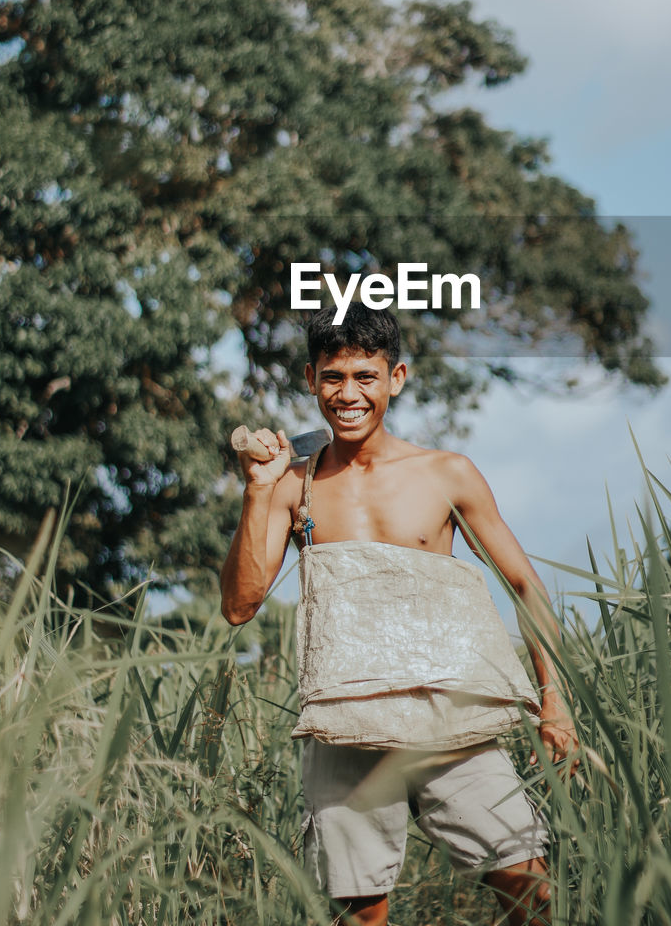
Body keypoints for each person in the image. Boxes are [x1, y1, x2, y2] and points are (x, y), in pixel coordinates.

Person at [221, 302, 578, 925]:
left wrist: (556, 701)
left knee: (530, 889)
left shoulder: (446, 474)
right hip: (344, 724)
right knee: (359, 915)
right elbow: (239, 606)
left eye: (365, 376)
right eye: (333, 378)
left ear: (397, 377)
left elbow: (523, 585)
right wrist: (257, 489)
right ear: (311, 381)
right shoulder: (290, 486)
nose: (348, 394)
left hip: (451, 718)